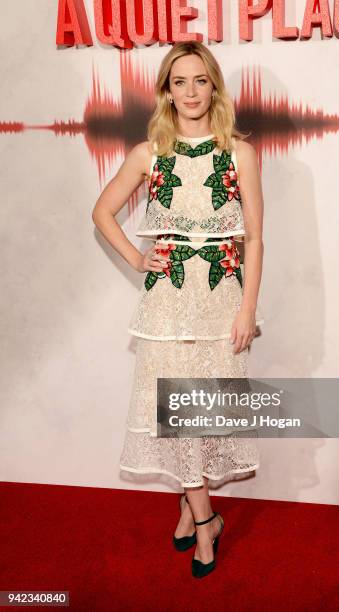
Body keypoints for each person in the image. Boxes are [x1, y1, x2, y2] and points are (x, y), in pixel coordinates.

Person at [92, 41, 264, 578]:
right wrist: (139, 259)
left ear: (214, 86)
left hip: (221, 304)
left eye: (200, 81)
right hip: (167, 307)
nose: (190, 92)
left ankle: (194, 510)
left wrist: (248, 312)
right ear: (166, 91)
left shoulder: (239, 153)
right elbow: (102, 212)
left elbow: (255, 239)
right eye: (179, 82)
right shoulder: (150, 154)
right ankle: (206, 519)